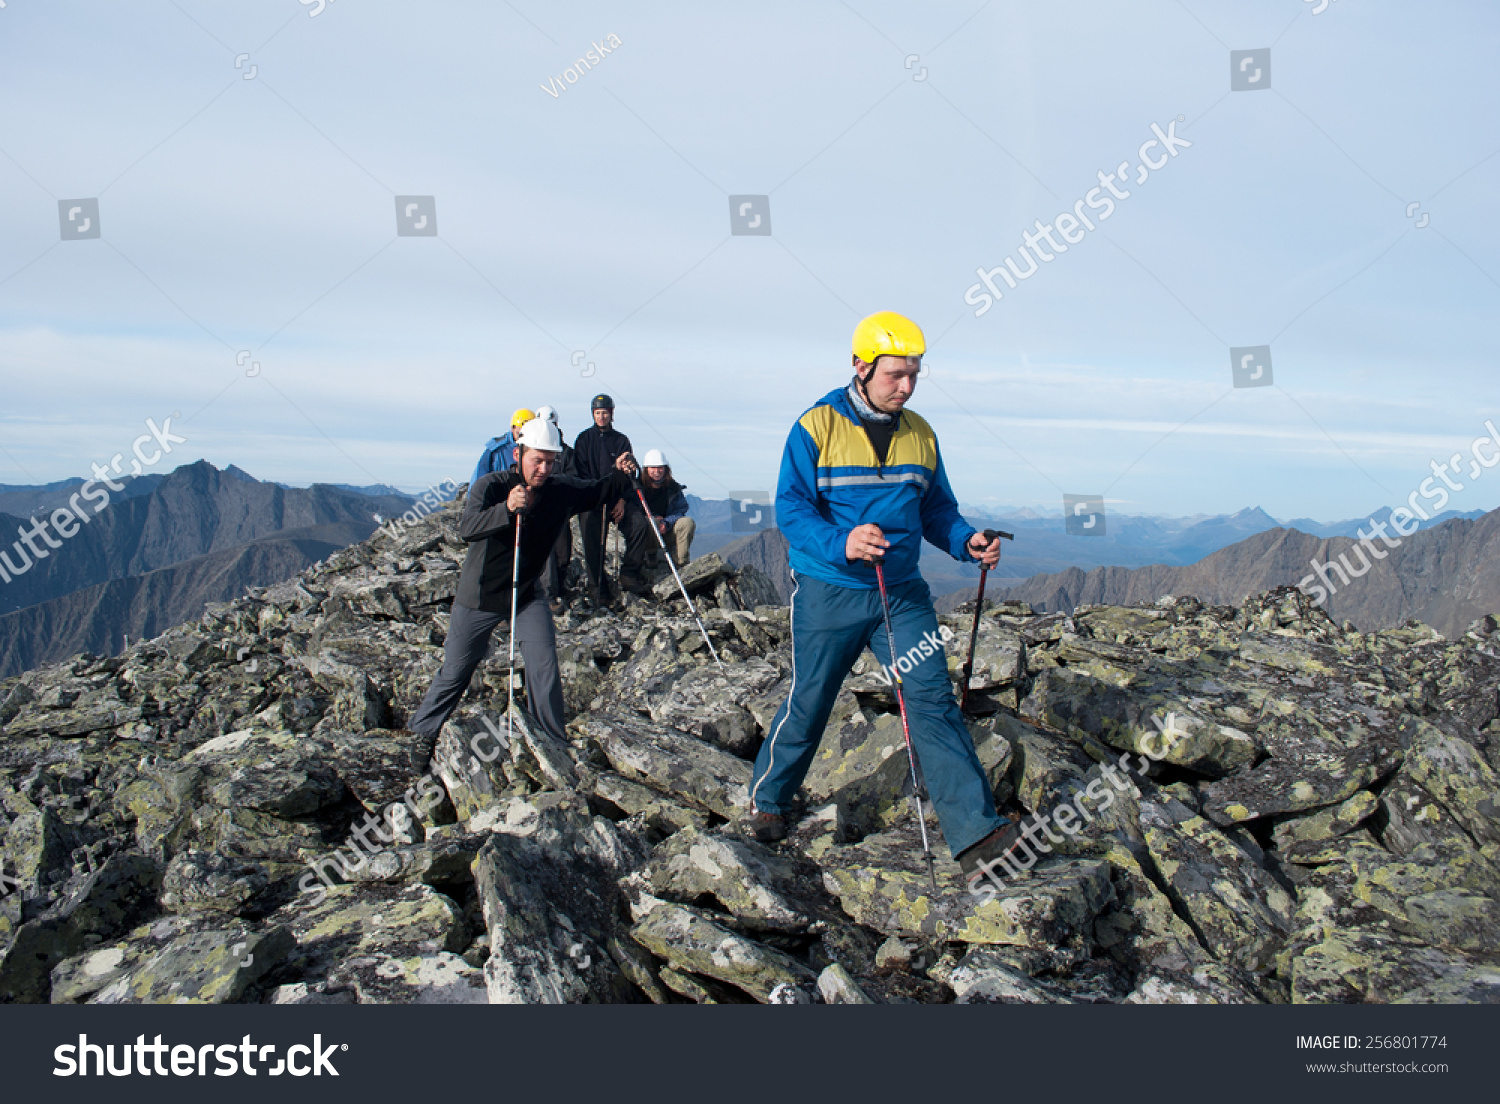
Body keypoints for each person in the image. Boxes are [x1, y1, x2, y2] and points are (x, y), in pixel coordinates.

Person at [745, 311, 1019, 889]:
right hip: (829, 591)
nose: (908, 387)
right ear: (861, 366)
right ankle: (768, 798)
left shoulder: (920, 433)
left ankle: (977, 833)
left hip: (900, 595)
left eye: (915, 375)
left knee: (931, 699)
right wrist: (840, 541)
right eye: (897, 375)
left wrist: (967, 543)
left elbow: (936, 509)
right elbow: (791, 510)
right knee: (813, 698)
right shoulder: (815, 427)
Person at [404, 418, 638, 771]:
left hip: (527, 593)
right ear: (519, 454)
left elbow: (598, 490)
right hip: (480, 595)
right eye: (536, 460)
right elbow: (467, 528)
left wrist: (621, 474)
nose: (543, 469)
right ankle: (423, 734)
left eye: (550, 461)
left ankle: (551, 741)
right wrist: (507, 509)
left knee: (544, 663)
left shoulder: (560, 491)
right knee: (456, 669)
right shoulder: (492, 486)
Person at [572, 394, 634, 604]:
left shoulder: (621, 440)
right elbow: (580, 472)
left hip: (616, 500)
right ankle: (597, 588)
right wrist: (592, 496)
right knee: (592, 540)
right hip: (591, 500)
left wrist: (623, 500)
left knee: (639, 525)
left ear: (611, 414)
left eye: (604, 413)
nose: (601, 417)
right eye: (598, 413)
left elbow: (629, 473)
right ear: (593, 414)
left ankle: (630, 576)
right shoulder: (583, 440)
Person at [619, 448, 694, 591]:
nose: (657, 471)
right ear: (646, 469)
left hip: (666, 530)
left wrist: (666, 522)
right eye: (653, 468)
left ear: (666, 469)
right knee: (648, 522)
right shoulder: (637, 487)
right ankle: (650, 554)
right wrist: (652, 517)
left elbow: (680, 510)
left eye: (660, 468)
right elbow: (633, 511)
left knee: (687, 523)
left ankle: (681, 563)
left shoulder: (673, 488)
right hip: (645, 534)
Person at [533, 406, 578, 612]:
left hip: (560, 511)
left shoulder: (566, 453)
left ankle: (559, 589)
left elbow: (574, 477)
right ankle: (548, 597)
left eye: (551, 424)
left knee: (562, 554)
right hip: (538, 512)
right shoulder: (531, 451)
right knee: (547, 554)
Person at [472, 408, 535, 486]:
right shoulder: (496, 450)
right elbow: (479, 478)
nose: (523, 437)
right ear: (513, 428)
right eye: (520, 433)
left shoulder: (539, 449)